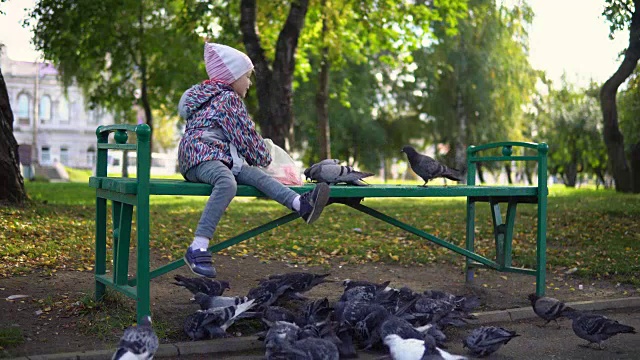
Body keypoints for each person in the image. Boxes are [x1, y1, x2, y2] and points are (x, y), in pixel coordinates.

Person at [177, 42, 330, 278]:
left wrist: (257, 162)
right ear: (232, 77)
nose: (249, 83)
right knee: (227, 182)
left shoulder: (209, 97)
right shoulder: (228, 99)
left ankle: (301, 205)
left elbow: (237, 139)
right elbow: (246, 138)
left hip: (213, 155)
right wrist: (266, 157)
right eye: (246, 77)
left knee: (254, 175)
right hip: (202, 155)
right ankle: (198, 246)